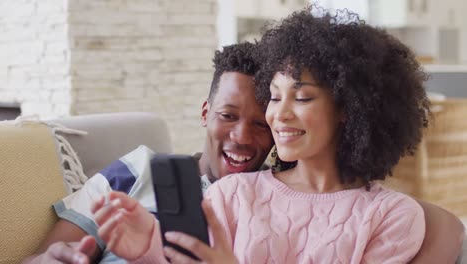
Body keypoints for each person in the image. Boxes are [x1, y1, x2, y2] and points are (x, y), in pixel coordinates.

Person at [91, 7, 465, 263]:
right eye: (273, 96)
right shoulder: (233, 195)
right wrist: (147, 249)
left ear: (348, 108)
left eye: (301, 97)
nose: (278, 114)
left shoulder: (391, 217)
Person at [21, 42, 274, 264]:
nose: (242, 136)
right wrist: (48, 259)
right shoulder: (137, 169)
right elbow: (39, 257)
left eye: (261, 124)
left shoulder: (278, 202)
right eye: (227, 116)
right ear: (206, 114)